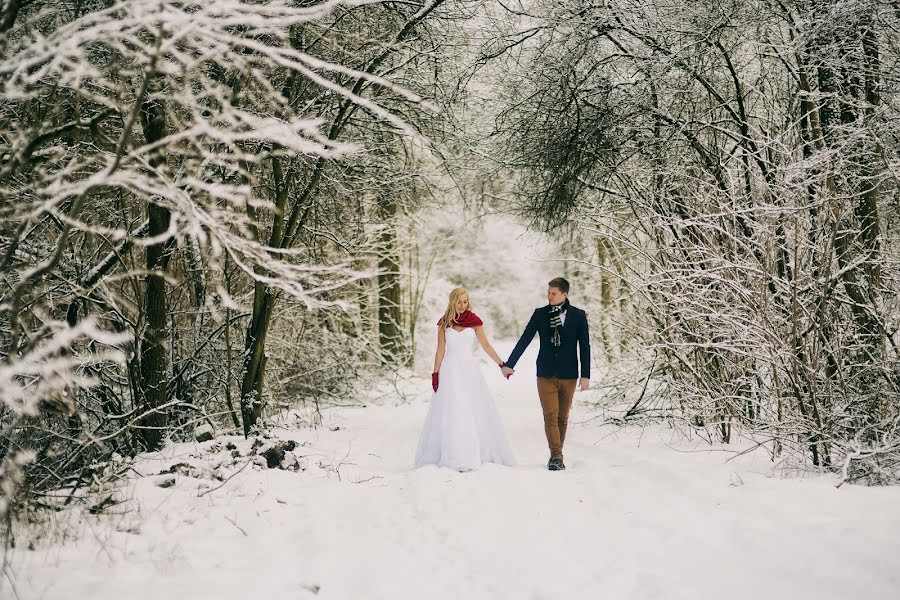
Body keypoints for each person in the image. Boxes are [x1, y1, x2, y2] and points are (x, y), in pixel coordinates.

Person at [414, 287, 516, 471]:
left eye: (465, 301)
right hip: (450, 370)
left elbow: (485, 345)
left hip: (469, 370)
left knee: (471, 408)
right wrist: (435, 374)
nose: (463, 305)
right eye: (459, 301)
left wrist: (502, 365)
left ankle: (475, 452)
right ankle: (452, 453)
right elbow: (440, 350)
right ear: (453, 302)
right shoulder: (444, 323)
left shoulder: (475, 322)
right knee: (453, 409)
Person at [502, 277, 590, 471]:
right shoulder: (540, 314)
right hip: (545, 372)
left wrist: (586, 375)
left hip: (569, 373)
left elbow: (584, 346)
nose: (549, 296)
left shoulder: (578, 315)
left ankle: (557, 451)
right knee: (550, 415)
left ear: (564, 294)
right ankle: (556, 457)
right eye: (548, 292)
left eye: (553, 293)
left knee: (562, 417)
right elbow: (525, 338)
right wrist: (510, 364)